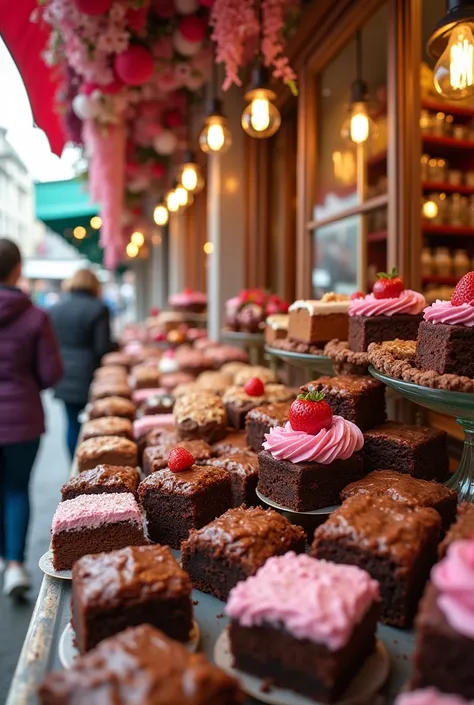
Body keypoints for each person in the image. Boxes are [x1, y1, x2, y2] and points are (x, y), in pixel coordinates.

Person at [0, 238, 63, 598]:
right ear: (18, 269)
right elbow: (50, 373)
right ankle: (14, 565)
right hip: (22, 417)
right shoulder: (35, 316)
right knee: (15, 488)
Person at [49, 268, 115, 459]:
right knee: (94, 423)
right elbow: (102, 347)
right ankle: (90, 460)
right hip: (88, 374)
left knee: (71, 422)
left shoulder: (56, 308)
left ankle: (76, 464)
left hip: (63, 372)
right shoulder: (98, 308)